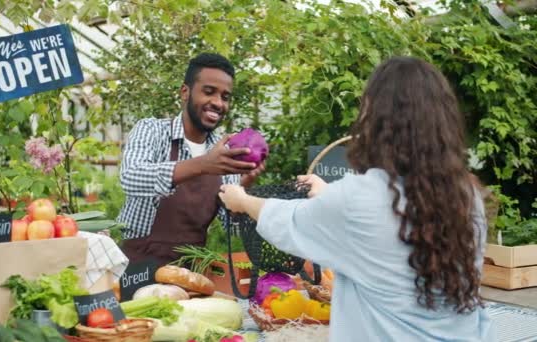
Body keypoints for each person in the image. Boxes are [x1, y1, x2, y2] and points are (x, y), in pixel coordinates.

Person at [219, 57, 495, 341]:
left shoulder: (358, 199)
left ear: (375, 119)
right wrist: (327, 194)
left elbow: (289, 220)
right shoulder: (466, 194)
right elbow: (393, 225)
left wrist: (241, 200)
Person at [118, 52, 264, 266]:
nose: (217, 102)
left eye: (225, 97)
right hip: (136, 267)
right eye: (209, 92)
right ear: (185, 92)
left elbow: (231, 226)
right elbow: (130, 178)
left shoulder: (225, 151)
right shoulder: (152, 130)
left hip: (191, 270)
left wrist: (243, 189)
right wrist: (204, 165)